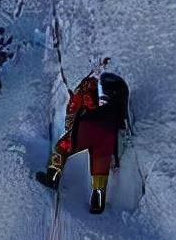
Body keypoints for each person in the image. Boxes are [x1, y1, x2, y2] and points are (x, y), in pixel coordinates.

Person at [35, 65, 129, 214]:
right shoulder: (117, 90)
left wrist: (70, 125)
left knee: (63, 146)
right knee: (100, 165)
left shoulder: (87, 85)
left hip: (89, 125)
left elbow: (74, 106)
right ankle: (98, 201)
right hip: (108, 133)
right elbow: (122, 119)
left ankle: (52, 177)